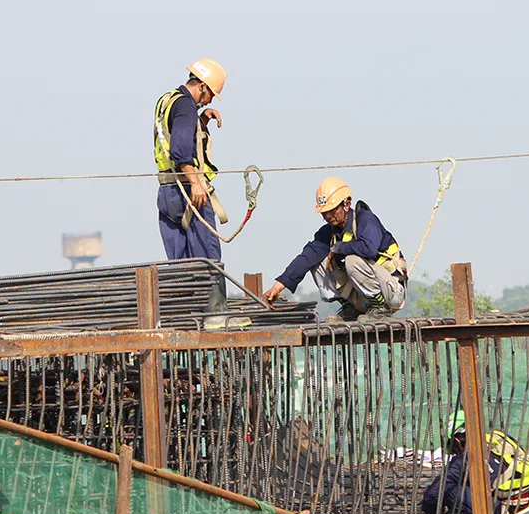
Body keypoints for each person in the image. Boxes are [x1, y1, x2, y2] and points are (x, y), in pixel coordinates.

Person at [153, 58, 244, 328]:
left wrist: (200, 122)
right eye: (209, 95)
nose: (207, 101)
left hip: (167, 191)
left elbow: (171, 137)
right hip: (186, 190)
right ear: (202, 86)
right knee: (207, 252)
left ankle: (185, 319)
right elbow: (181, 148)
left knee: (180, 260)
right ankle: (216, 315)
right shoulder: (185, 106)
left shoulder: (167, 101)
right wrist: (196, 182)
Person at [261, 177, 407, 320]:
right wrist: (278, 287)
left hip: (392, 291)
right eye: (324, 212)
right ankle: (350, 307)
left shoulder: (366, 219)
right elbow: (306, 257)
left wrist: (338, 248)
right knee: (316, 261)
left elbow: (369, 249)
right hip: (363, 297)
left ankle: (379, 309)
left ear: (347, 204)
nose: (327, 216)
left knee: (352, 260)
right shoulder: (329, 232)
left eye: (332, 210)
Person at [421, 412, 529, 514]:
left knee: (446, 488)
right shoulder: (498, 437)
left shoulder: (464, 458)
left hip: (510, 508)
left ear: (457, 441)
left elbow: (433, 493)